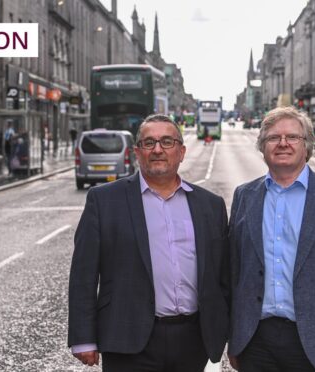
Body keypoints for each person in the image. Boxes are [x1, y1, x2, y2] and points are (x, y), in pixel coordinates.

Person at [68, 114, 230, 371]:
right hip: (127, 337)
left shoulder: (210, 205)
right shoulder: (104, 200)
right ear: (137, 152)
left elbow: (223, 276)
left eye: (167, 142)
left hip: (193, 340)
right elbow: (83, 275)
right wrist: (83, 337)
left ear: (181, 151)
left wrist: (225, 331)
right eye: (149, 143)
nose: (157, 149)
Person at [228, 107, 315, 372]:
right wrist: (234, 341)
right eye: (273, 138)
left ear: (307, 146)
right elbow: (234, 271)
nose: (283, 143)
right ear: (262, 147)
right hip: (256, 341)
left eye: (292, 137)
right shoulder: (245, 196)